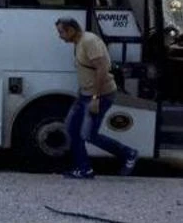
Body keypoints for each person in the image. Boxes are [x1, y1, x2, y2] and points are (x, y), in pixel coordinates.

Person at [55, 16, 139, 178]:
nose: (60, 36)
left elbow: (102, 69)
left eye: (61, 32)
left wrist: (95, 98)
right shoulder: (78, 43)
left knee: (88, 135)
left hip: (101, 95)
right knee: (71, 128)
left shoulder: (89, 42)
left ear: (71, 30)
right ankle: (84, 168)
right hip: (85, 94)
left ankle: (128, 153)